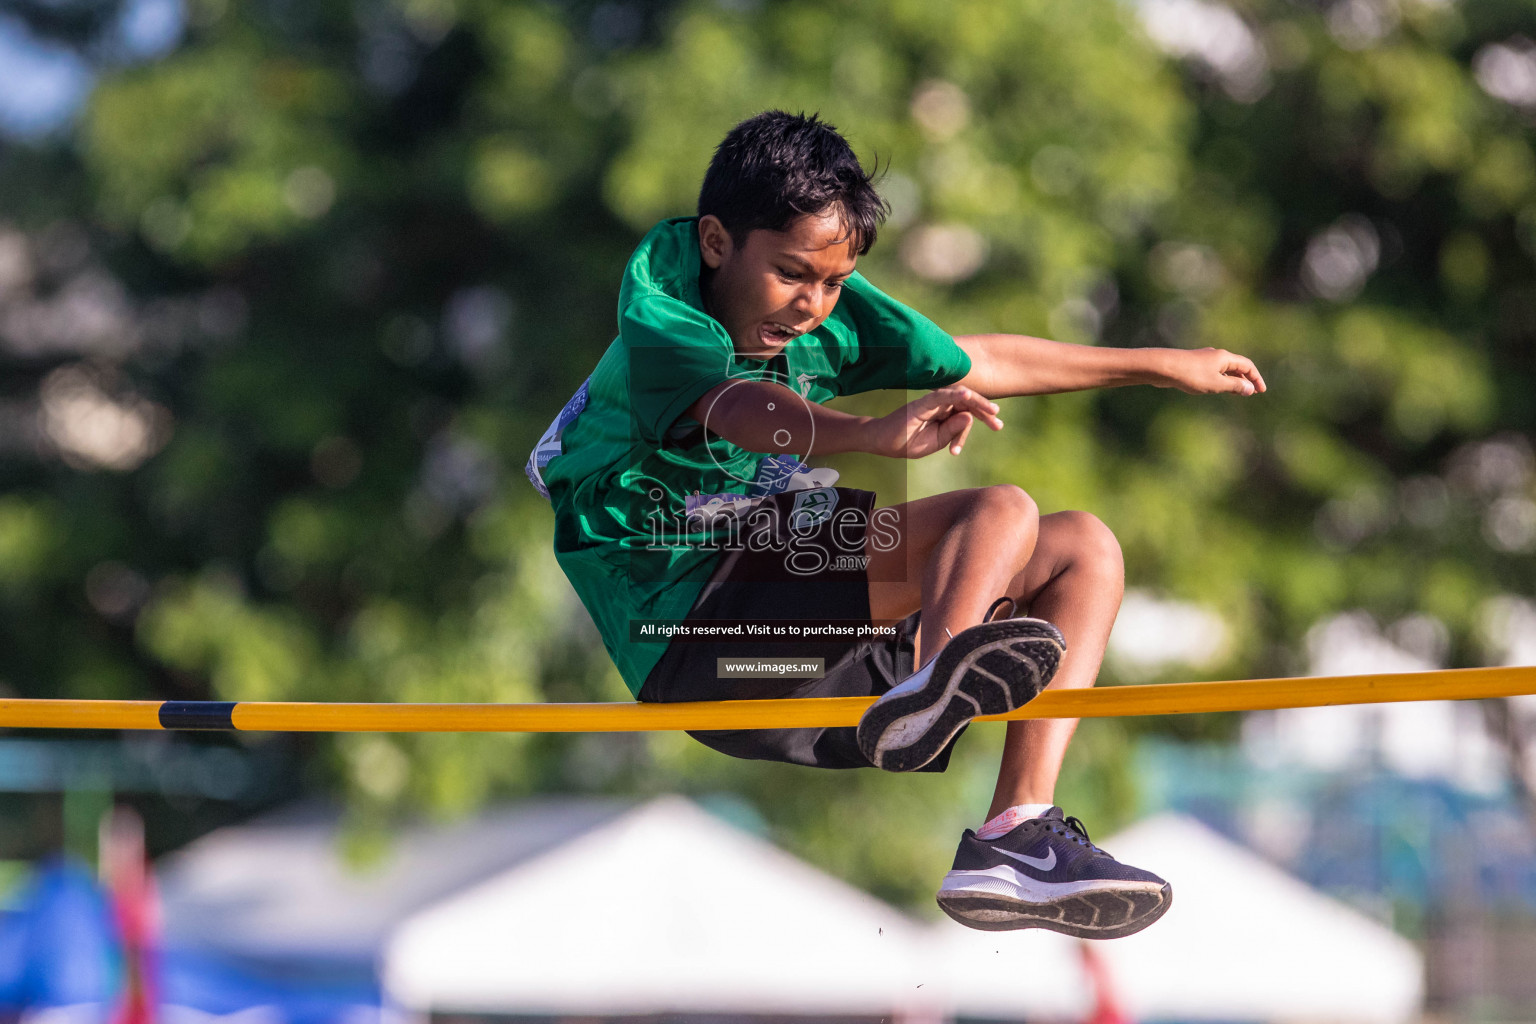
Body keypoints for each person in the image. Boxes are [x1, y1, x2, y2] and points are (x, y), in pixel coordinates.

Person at [528, 110, 1265, 938]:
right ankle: (935, 679)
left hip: (785, 631)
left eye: (833, 283)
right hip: (687, 627)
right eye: (790, 274)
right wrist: (864, 433)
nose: (811, 305)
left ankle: (1015, 833)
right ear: (714, 242)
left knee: (1080, 549)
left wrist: (1155, 366)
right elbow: (741, 408)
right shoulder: (662, 313)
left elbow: (977, 357)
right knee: (1001, 510)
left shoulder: (819, 310)